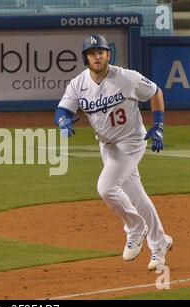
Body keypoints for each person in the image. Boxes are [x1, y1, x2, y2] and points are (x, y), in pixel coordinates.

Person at [54, 34, 173, 271]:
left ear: (109, 54)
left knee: (106, 187)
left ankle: (135, 228)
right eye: (91, 53)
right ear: (86, 58)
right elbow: (62, 110)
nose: (97, 56)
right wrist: (63, 122)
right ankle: (160, 245)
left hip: (131, 142)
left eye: (101, 51)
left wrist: (158, 126)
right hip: (107, 145)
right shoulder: (79, 84)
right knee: (138, 197)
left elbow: (156, 92)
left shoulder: (127, 77)